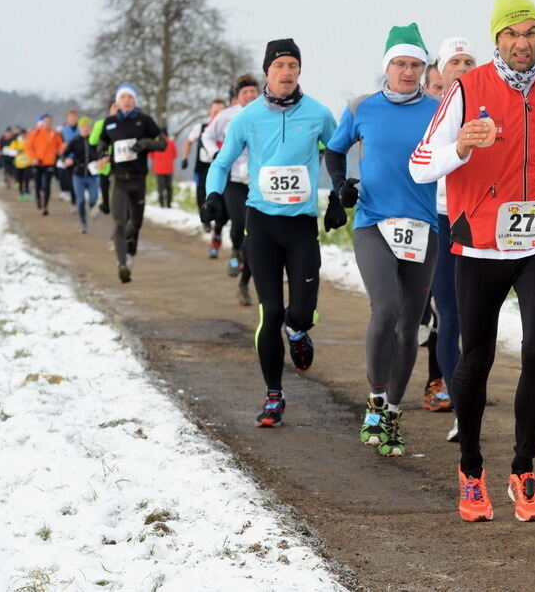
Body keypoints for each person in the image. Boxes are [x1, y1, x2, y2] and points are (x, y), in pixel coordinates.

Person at [409, 0, 535, 522]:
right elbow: (421, 163)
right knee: (477, 357)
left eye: (530, 32)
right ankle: (470, 470)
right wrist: (461, 146)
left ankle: (524, 469)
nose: (521, 42)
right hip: (482, 238)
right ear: (497, 38)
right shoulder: (468, 88)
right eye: (511, 33)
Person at [203, 38, 337, 428]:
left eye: (293, 65)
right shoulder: (248, 117)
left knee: (301, 311)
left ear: (299, 71)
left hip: (300, 226)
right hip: (260, 224)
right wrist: (213, 194)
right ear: (267, 72)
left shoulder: (318, 113)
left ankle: (298, 332)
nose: (287, 72)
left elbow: (339, 150)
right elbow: (222, 161)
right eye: (279, 66)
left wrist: (342, 194)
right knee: (270, 311)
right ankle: (274, 396)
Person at [325, 22, 439, 458]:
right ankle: (374, 400)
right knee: (386, 307)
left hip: (423, 227)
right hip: (373, 221)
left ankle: (393, 410)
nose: (408, 72)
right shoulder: (362, 108)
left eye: (415, 64)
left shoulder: (438, 110)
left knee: (411, 325)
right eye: (400, 64)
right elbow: (335, 150)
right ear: (386, 68)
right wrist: (341, 186)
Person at [428, 36, 478, 440]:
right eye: (455, 62)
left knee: (477, 322)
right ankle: (462, 409)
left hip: (481, 221)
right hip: (442, 219)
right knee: (450, 316)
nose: (462, 68)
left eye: (468, 61)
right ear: (440, 72)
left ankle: (470, 398)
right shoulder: (432, 111)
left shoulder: (489, 105)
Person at [96, 83, 166, 283]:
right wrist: (102, 153)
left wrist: (145, 144)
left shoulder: (144, 121)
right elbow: (102, 142)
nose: (126, 101)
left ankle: (130, 250)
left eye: (130, 97)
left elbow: (162, 143)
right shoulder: (110, 122)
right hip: (119, 181)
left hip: (138, 181)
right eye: (123, 97)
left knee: (135, 224)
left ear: (135, 101)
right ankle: (122, 264)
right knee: (118, 223)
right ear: (117, 101)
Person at [204, 79, 260, 262]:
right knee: (238, 223)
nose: (250, 95)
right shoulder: (226, 116)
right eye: (245, 92)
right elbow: (207, 135)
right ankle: (237, 249)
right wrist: (215, 153)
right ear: (237, 97)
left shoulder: (267, 113)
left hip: (259, 181)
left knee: (256, 225)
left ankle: (251, 259)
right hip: (234, 179)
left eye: (253, 91)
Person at [182, 98, 227, 232]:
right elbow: (188, 141)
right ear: (209, 113)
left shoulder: (229, 129)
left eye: (220, 112)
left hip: (221, 169)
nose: (217, 115)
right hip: (202, 168)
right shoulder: (200, 128)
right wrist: (185, 157)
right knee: (201, 196)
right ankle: (205, 221)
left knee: (221, 198)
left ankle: (219, 224)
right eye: (215, 112)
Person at [62, 117, 100, 233]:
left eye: (87, 127)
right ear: (79, 128)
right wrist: (67, 159)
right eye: (83, 127)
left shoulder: (95, 140)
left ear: (90, 128)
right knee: (81, 201)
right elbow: (64, 155)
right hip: (78, 175)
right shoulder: (74, 140)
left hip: (92, 175)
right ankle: (83, 223)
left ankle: (92, 212)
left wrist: (101, 160)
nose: (85, 129)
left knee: (93, 200)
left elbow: (102, 152)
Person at [25, 115, 64, 215]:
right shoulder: (35, 133)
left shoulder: (54, 133)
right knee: (38, 184)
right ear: (42, 122)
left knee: (47, 185)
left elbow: (60, 145)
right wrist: (33, 158)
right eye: (45, 121)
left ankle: (45, 206)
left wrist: (59, 152)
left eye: (49, 121)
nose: (47, 123)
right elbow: (28, 147)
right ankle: (38, 200)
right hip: (37, 163)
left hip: (49, 163)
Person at [90, 103, 119, 215]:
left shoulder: (127, 124)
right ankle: (105, 205)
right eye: (114, 107)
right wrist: (101, 154)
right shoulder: (101, 123)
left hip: (121, 162)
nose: (117, 110)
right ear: (109, 110)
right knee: (105, 186)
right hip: (105, 161)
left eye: (119, 107)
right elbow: (92, 141)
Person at [149, 127, 177, 208]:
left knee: (161, 188)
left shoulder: (155, 143)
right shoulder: (171, 143)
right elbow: (175, 155)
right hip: (167, 169)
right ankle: (168, 205)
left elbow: (151, 155)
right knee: (168, 188)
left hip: (160, 169)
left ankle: (163, 205)